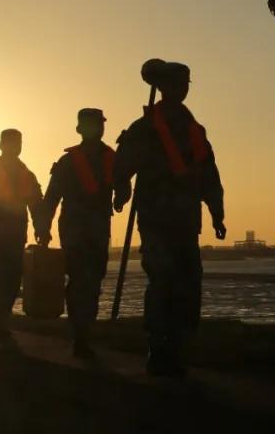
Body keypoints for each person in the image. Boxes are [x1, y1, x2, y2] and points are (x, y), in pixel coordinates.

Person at [113, 60, 226, 376]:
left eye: (186, 83)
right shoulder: (145, 127)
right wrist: (121, 190)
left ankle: (177, 346)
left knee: (188, 282)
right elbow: (122, 165)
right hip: (156, 219)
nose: (182, 89)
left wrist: (217, 212)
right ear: (163, 87)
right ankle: (158, 347)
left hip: (186, 221)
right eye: (177, 83)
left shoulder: (195, 130)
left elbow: (209, 174)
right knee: (162, 280)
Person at [38, 108, 116, 359]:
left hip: (99, 230)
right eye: (92, 125)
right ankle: (79, 335)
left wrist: (122, 196)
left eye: (100, 124)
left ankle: (85, 332)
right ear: (80, 129)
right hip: (75, 230)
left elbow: (122, 184)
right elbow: (51, 197)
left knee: (93, 282)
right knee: (80, 281)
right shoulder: (68, 162)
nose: (97, 129)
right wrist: (43, 228)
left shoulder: (111, 157)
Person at [0, 128, 46, 347]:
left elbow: (36, 203)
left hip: (15, 235)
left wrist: (42, 229)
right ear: (1, 145)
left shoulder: (26, 173)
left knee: (12, 281)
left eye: (19, 142)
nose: (16, 146)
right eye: (11, 142)